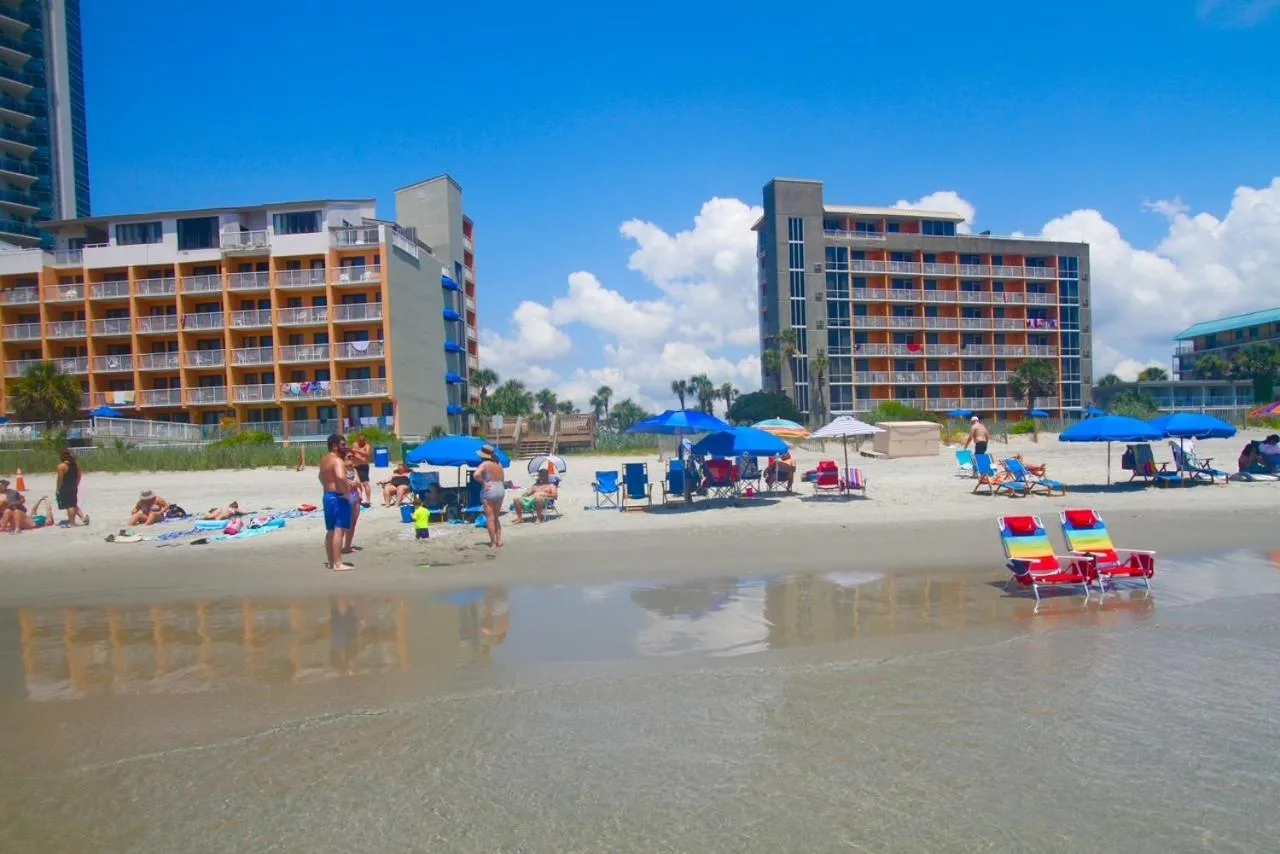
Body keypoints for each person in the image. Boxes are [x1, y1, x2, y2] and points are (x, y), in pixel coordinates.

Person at [319, 433, 354, 571]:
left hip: (328, 496)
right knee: (339, 530)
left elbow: (320, 476)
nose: (345, 447)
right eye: (343, 444)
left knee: (331, 531)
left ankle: (331, 562)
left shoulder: (324, 460)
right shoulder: (337, 460)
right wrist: (347, 492)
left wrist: (327, 488)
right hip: (339, 497)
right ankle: (338, 563)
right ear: (335, 446)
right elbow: (340, 476)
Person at [473, 444, 506, 547]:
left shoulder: (484, 464)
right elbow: (503, 479)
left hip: (490, 488)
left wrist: (483, 482)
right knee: (496, 517)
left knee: (490, 518)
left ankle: (493, 542)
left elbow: (476, 475)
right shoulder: (499, 464)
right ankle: (499, 540)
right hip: (500, 488)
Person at [55, 448, 88, 526]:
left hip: (65, 487)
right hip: (73, 486)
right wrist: (76, 485)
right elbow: (79, 476)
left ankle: (72, 522)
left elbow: (60, 480)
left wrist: (58, 489)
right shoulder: (76, 465)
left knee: (69, 506)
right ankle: (83, 518)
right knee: (73, 504)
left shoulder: (61, 467)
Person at [343, 448, 362, 556]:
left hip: (355, 495)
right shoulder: (341, 470)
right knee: (346, 522)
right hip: (346, 496)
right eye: (349, 457)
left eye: (352, 457)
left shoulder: (353, 470)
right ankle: (341, 545)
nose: (351, 459)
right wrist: (351, 483)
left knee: (353, 522)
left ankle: (347, 545)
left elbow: (358, 482)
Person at [349, 434, 373, 507]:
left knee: (365, 483)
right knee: (357, 483)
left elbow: (367, 454)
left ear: (364, 441)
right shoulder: (355, 444)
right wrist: (358, 456)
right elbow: (352, 452)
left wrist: (357, 451)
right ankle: (359, 499)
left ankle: (368, 500)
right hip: (355, 466)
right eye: (360, 440)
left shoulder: (367, 446)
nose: (361, 442)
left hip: (363, 467)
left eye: (362, 441)